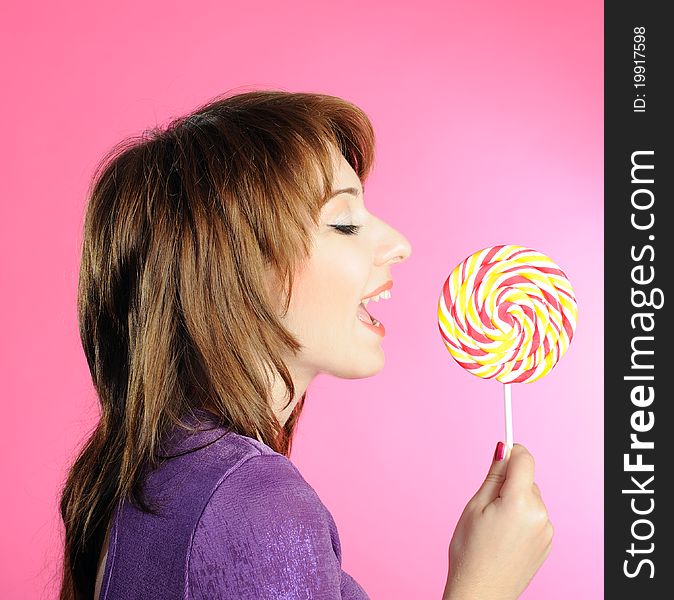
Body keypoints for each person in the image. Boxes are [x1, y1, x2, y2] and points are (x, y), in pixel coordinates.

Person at [59, 89, 553, 600]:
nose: (398, 244)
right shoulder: (254, 505)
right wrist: (485, 585)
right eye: (344, 223)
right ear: (236, 272)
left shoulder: (150, 476)